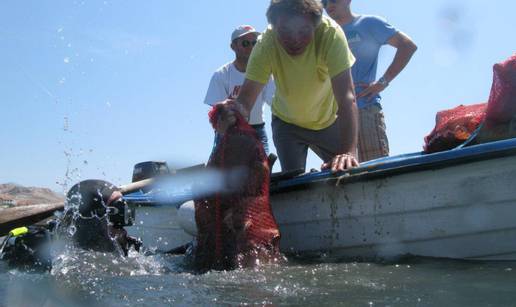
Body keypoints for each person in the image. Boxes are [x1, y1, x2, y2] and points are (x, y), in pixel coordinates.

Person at [216, 0, 359, 173]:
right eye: (285, 31)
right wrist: (231, 114)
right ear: (273, 26)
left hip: (329, 121)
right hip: (287, 125)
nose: (295, 40)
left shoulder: (331, 34)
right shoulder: (265, 44)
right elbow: (245, 102)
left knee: (347, 169)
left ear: (316, 26)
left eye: (304, 31)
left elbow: (347, 98)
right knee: (293, 183)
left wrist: (347, 152)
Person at [323, 0, 417, 162]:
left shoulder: (369, 23)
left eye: (333, 0)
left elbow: (407, 46)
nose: (328, 4)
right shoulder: (324, 34)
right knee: (341, 176)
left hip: (364, 109)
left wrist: (383, 82)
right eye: (323, 2)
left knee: (376, 171)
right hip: (333, 118)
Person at [204, 25, 276, 154]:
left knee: (263, 171)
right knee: (229, 172)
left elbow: (275, 103)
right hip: (230, 132)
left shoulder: (265, 72)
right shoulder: (221, 74)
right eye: (245, 43)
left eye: (255, 43)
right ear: (233, 47)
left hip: (257, 130)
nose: (251, 47)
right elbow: (217, 113)